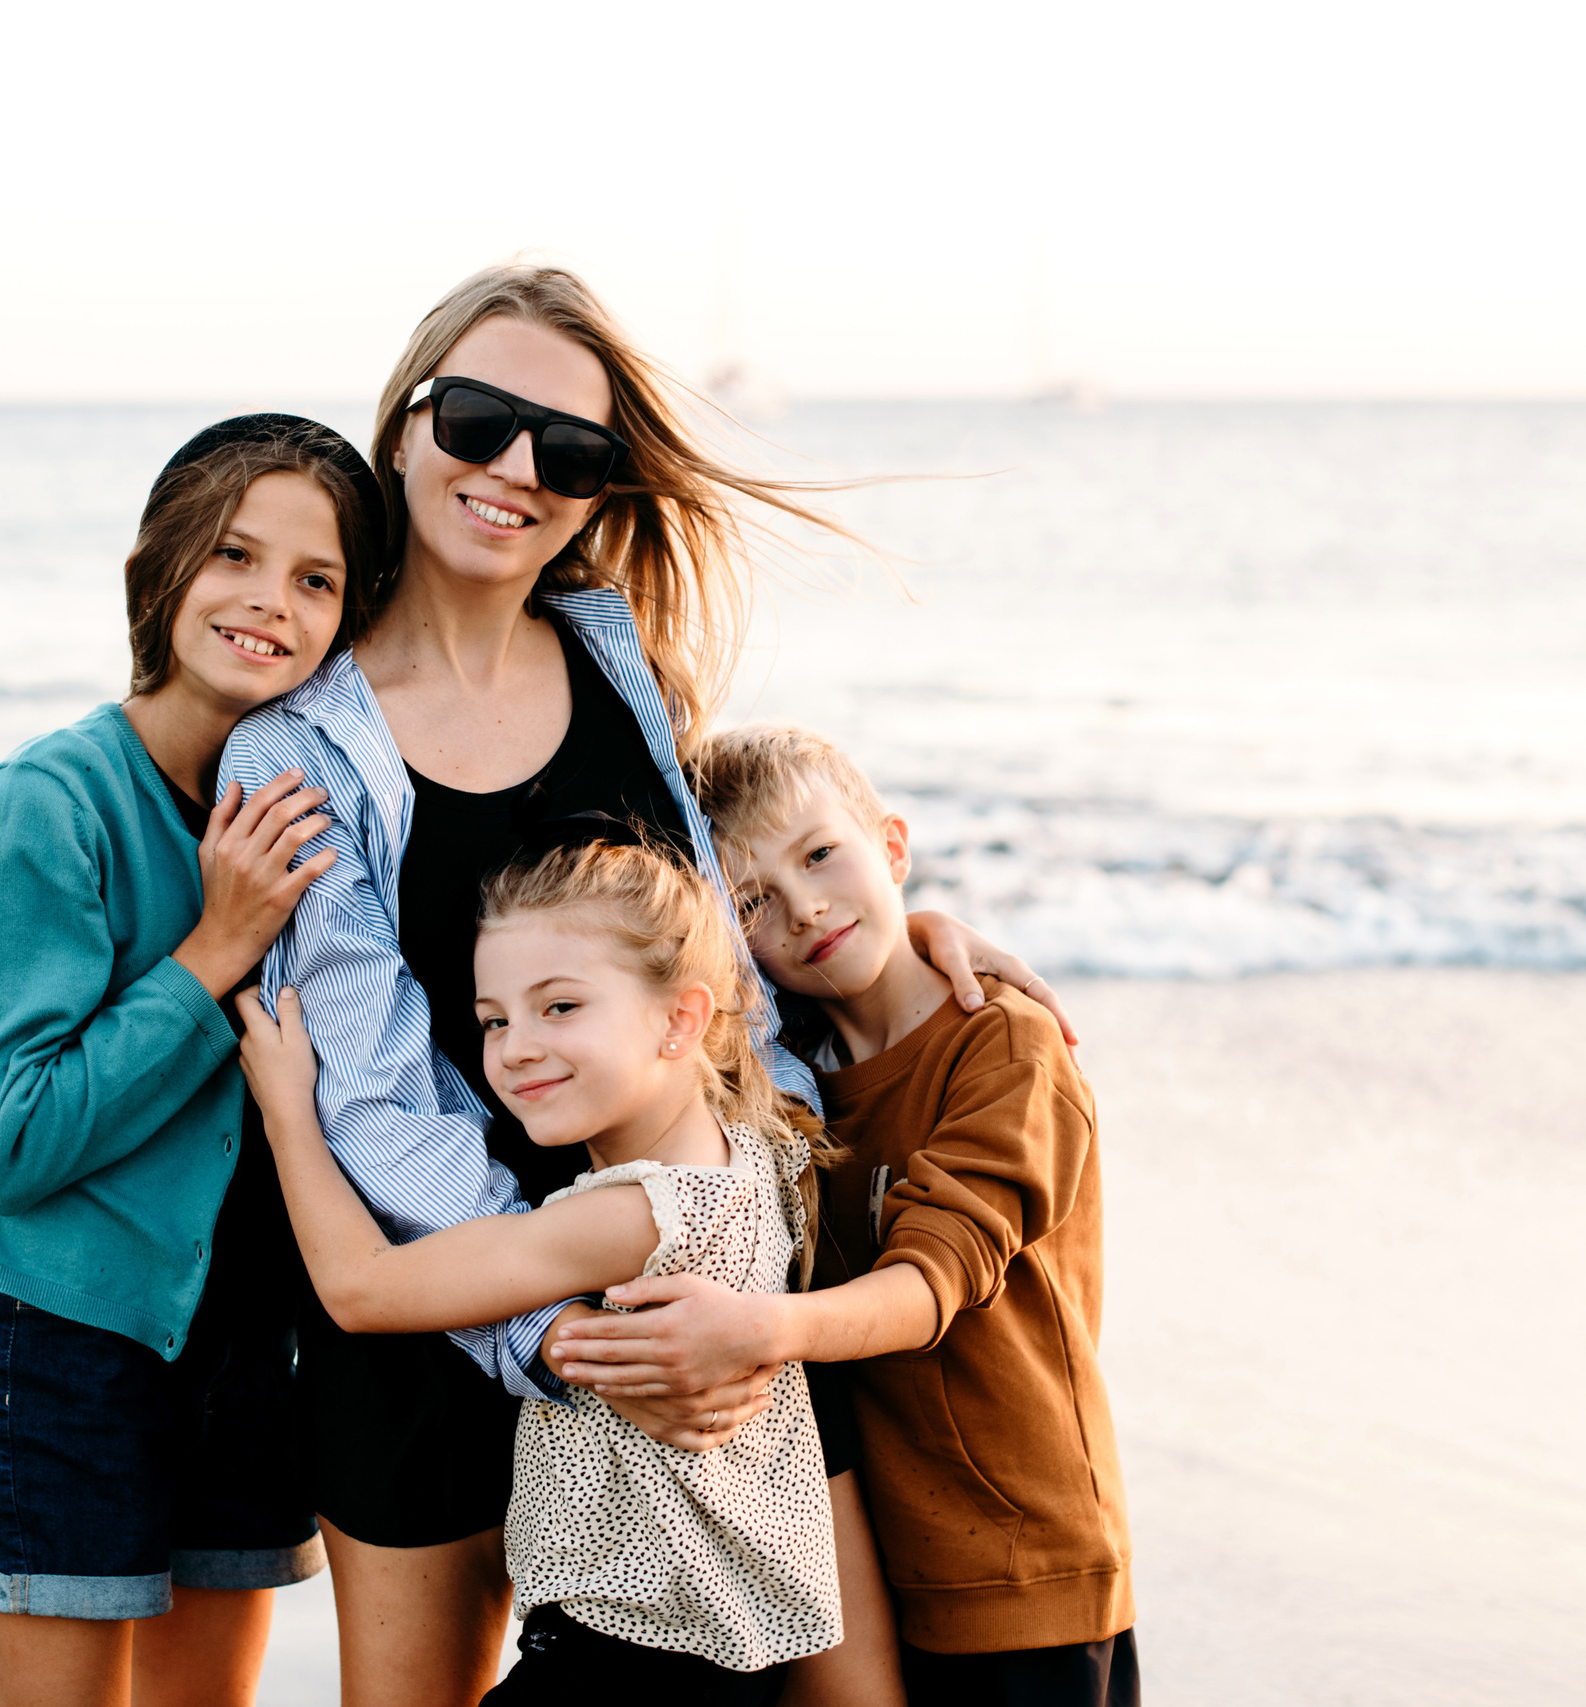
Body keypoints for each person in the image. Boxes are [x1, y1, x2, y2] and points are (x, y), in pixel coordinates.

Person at [219, 264, 1075, 1706]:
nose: (515, 471)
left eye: (571, 450)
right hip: (453, 1327)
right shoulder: (297, 748)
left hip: (702, 1301)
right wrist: (558, 1333)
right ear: (407, 417)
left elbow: (708, 970)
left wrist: (904, 949)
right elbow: (376, 1101)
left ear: (607, 485)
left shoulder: (620, 659)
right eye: (482, 420)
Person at [0, 416, 385, 1707]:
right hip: (63, 1354)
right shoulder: (48, 803)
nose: (269, 601)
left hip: (252, 1353)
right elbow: (12, 1142)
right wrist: (214, 946)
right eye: (235, 553)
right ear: (165, 567)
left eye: (317, 579)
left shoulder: (319, 803)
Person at [238, 836, 845, 1705]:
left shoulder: (631, 1214)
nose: (518, 1047)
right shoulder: (755, 1158)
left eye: (560, 1007)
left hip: (630, 1660)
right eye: (494, 1019)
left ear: (681, 1018)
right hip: (709, 1658)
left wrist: (288, 1109)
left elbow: (360, 1286)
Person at [677, 723, 1137, 1707]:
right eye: (753, 901)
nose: (803, 909)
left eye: (820, 856)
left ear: (891, 846)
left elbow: (934, 1281)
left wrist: (761, 1332)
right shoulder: (789, 1082)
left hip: (1024, 1569)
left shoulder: (1003, 1047)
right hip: (877, 1573)